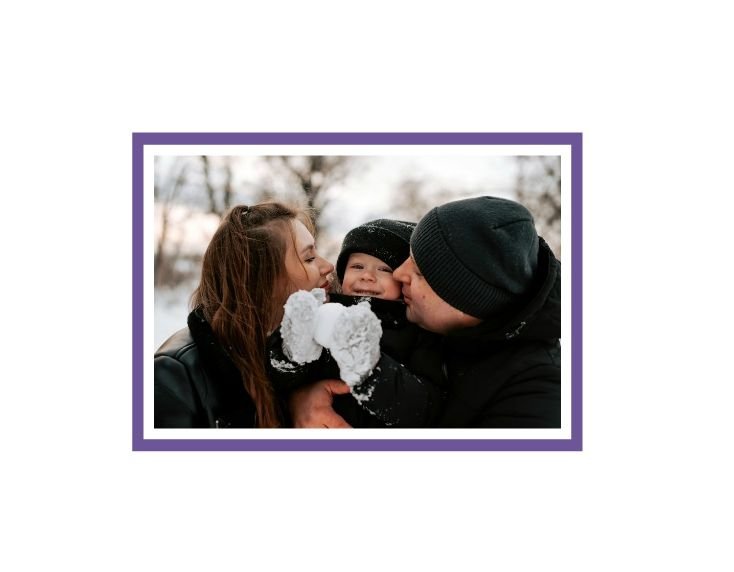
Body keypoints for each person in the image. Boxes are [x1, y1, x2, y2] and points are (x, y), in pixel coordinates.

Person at [290, 196, 561, 428]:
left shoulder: (537, 394)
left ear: (463, 299)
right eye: (409, 256)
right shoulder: (441, 330)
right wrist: (299, 398)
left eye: (419, 272)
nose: (399, 274)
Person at [153, 202, 336, 428]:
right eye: (309, 258)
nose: (328, 266)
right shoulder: (174, 378)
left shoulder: (316, 351)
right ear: (262, 279)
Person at [267, 219, 445, 427]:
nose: (367, 276)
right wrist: (292, 353)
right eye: (357, 266)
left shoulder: (414, 330)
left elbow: (424, 407)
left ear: (405, 280)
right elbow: (278, 382)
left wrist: (370, 369)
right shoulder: (323, 314)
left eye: (384, 269)